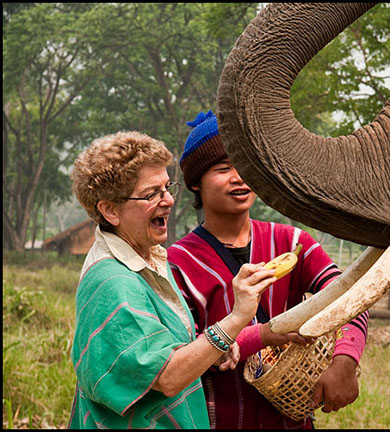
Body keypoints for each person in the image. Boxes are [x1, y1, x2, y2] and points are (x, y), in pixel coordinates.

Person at [168, 110, 369, 429]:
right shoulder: (177, 264)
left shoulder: (293, 243)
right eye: (223, 169)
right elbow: (183, 356)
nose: (238, 177)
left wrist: (345, 358)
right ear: (195, 183)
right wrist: (262, 335)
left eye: (245, 166)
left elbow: (350, 296)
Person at [67, 131, 276, 429]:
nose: (168, 201)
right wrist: (236, 319)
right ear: (110, 210)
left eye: (167, 188)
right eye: (151, 194)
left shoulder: (149, 259)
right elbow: (167, 376)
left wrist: (209, 350)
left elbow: (162, 348)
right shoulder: (114, 281)